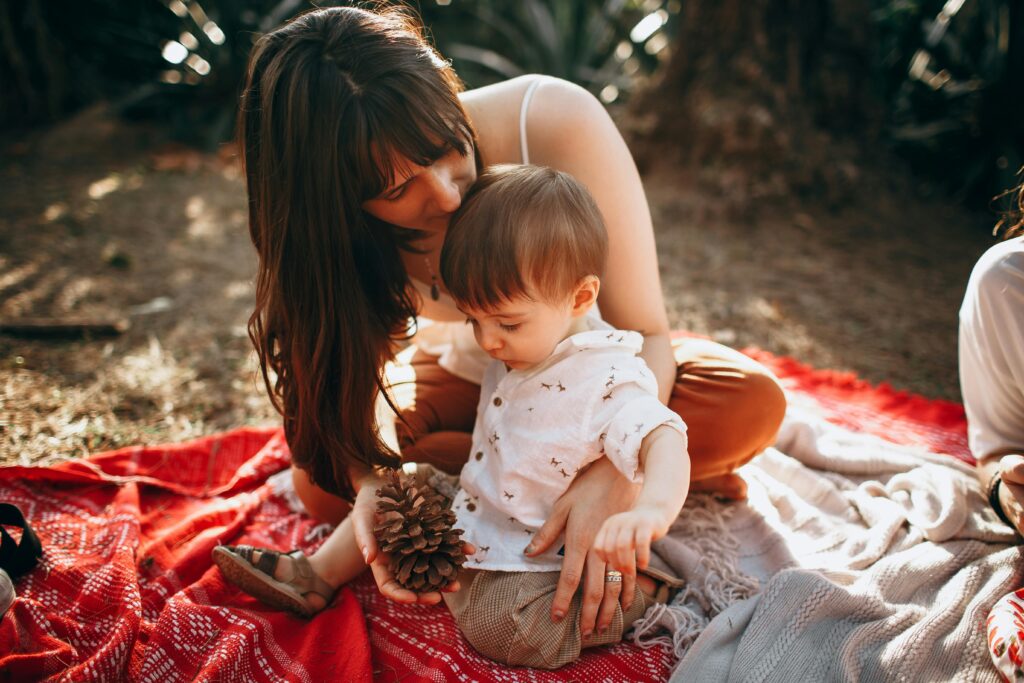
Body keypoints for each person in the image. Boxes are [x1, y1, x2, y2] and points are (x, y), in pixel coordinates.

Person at [213, 5, 786, 635]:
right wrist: (371, 479)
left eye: (447, 149)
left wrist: (613, 477)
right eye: (398, 190)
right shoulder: (330, 238)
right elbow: (346, 378)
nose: (447, 195)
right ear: (332, 201)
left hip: (592, 381)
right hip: (476, 375)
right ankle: (507, 478)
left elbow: (647, 332)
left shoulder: (551, 122)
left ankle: (514, 480)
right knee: (326, 488)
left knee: (746, 403)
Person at [429, 163, 688, 668]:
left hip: (539, 554)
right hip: (485, 511)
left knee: (501, 628)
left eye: (506, 322)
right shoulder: (519, 345)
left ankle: (642, 594)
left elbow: (664, 437)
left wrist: (652, 510)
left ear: (580, 297)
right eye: (473, 319)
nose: (487, 340)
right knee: (407, 488)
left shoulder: (608, 376)